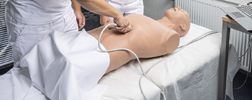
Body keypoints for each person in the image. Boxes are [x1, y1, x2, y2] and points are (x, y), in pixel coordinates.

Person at [19, 6, 190, 100]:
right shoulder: (150, 20)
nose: (179, 7)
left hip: (98, 54)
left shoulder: (171, 37)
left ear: (183, 27)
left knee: (62, 64)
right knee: (48, 47)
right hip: (83, 39)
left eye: (184, 12)